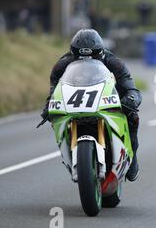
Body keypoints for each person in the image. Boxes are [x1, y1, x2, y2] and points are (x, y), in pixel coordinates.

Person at [39, 29, 142, 181]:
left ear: (100, 53)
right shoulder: (62, 65)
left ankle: (132, 159)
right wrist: (50, 104)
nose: (86, 62)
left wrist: (131, 98)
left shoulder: (113, 61)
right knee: (54, 117)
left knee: (132, 117)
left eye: (92, 58)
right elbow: (54, 88)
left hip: (106, 93)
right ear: (73, 55)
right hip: (76, 97)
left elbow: (130, 85)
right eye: (80, 59)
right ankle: (68, 149)